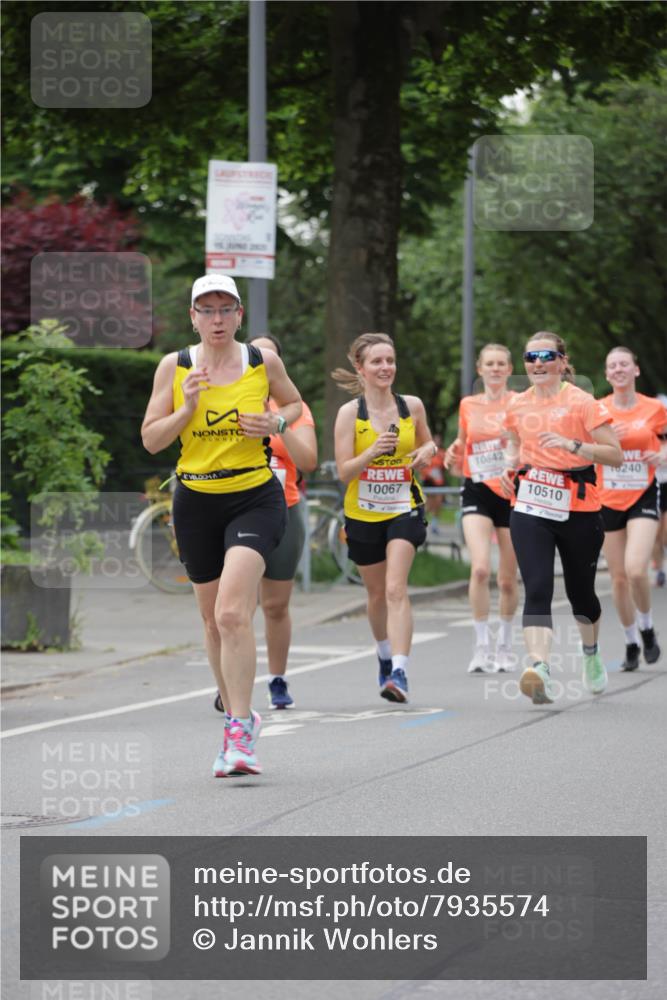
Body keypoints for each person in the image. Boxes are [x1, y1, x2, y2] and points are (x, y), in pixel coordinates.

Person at [141, 275, 302, 776]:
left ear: (238, 315)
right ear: (193, 317)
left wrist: (276, 423)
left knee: (233, 613)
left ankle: (238, 730)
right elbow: (151, 439)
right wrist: (186, 409)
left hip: (254, 496)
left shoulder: (261, 361)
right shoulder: (175, 367)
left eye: (225, 309)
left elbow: (294, 404)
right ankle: (240, 714)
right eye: (206, 310)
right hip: (195, 500)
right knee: (212, 621)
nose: (216, 319)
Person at [500, 332, 623, 705]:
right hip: (530, 504)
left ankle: (590, 653)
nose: (538, 363)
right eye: (531, 357)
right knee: (537, 587)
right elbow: (513, 442)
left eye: (546, 356)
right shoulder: (517, 404)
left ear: (562, 362)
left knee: (580, 594)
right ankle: (540, 669)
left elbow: (615, 454)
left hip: (579, 508)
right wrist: (509, 466)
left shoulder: (582, 402)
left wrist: (573, 445)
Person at [332, 333, 436, 703]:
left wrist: (427, 451)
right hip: (363, 513)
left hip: (404, 507)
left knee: (395, 588)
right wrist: (371, 453)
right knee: (376, 594)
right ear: (360, 368)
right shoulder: (350, 414)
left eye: (390, 360)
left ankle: (400, 672)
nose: (385, 367)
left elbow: (428, 442)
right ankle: (384, 654)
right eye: (377, 361)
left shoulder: (412, 406)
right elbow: (344, 472)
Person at [249, 334, 318, 709]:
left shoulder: (295, 407)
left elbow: (308, 461)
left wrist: (278, 424)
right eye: (255, 355)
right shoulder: (228, 396)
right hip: (238, 509)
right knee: (238, 606)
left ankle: (277, 679)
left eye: (269, 356)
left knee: (275, 606)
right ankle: (231, 679)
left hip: (283, 509)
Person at [444, 344, 519, 673]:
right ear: (480, 369)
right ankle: (481, 647)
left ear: (509, 369)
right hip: (477, 488)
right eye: (490, 364)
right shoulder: (468, 405)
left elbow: (529, 442)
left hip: (511, 491)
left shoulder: (520, 402)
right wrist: (454, 449)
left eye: (501, 364)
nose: (495, 369)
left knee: (507, 579)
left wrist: (513, 446)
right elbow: (463, 441)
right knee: (479, 569)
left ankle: (505, 646)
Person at [597, 349, 667, 670]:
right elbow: (585, 452)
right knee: (619, 579)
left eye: (624, 364)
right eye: (612, 366)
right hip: (608, 498)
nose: (618, 369)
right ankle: (630, 642)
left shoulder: (654, 408)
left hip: (642, 493)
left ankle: (647, 628)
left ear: (636, 370)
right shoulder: (598, 410)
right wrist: (608, 441)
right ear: (607, 374)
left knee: (637, 570)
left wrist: (663, 455)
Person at [651, 394, 667, 588]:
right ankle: (659, 570)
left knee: (665, 533)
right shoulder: (648, 432)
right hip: (653, 486)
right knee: (655, 533)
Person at [421, 434, 447, 530]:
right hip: (429, 481)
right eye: (435, 440)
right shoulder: (427, 453)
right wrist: (430, 475)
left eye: (439, 440)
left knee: (438, 503)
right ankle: (420, 519)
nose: (437, 442)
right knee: (429, 505)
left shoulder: (442, 453)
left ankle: (434, 524)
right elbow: (422, 468)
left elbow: (445, 466)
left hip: (439, 482)